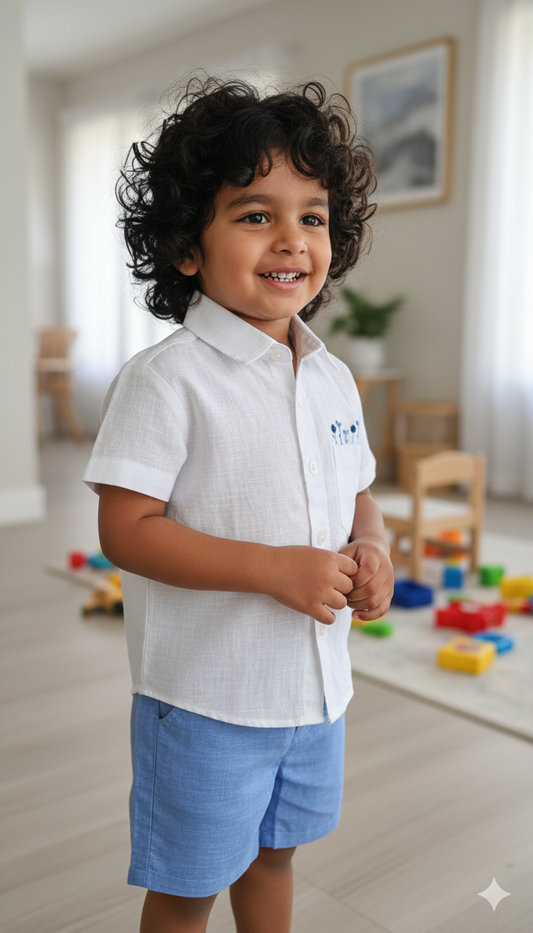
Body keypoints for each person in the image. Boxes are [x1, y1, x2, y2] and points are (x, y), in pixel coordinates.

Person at [83, 76, 394, 933]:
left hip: (314, 694)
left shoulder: (331, 376)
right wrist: (270, 569)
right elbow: (126, 528)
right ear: (188, 245)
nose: (291, 238)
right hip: (208, 700)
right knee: (190, 887)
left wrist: (375, 547)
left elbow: (357, 492)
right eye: (256, 214)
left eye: (313, 215)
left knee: (274, 854)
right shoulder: (166, 380)